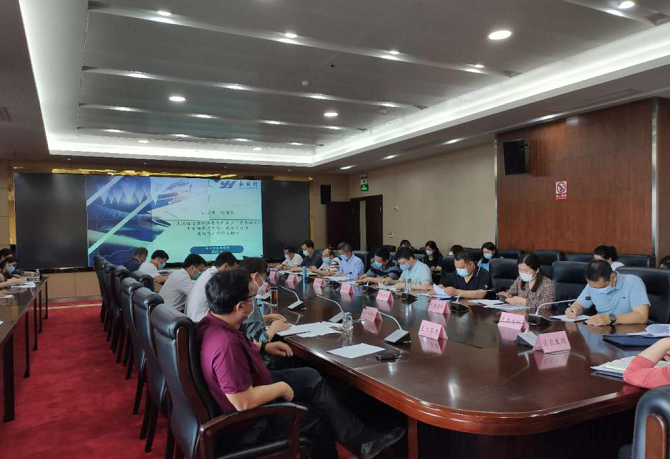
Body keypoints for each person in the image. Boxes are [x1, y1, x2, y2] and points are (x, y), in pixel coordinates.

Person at [197, 270, 405, 459]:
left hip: (255, 383)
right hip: (249, 423)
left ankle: (361, 438)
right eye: (251, 298)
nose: (254, 302)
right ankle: (356, 441)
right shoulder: (225, 345)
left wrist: (265, 347)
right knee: (315, 417)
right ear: (240, 307)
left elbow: (243, 352)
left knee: (309, 376)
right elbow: (243, 402)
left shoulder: (216, 324)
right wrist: (281, 388)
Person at [565, 259, 649, 326]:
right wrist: (574, 310)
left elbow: (642, 316)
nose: (597, 290)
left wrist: (610, 318)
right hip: (600, 330)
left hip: (627, 332)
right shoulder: (592, 285)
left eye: (602, 287)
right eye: (594, 287)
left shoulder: (633, 282)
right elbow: (580, 304)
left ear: (613, 277)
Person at [237, 257, 290, 346]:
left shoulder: (236, 293)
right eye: (264, 277)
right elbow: (257, 342)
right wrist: (275, 328)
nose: (264, 282)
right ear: (256, 276)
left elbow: (244, 322)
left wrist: (265, 317)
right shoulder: (249, 300)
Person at [185, 251, 238, 322]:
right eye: (233, 270)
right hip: (200, 320)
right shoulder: (213, 277)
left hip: (194, 317)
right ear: (225, 266)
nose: (233, 274)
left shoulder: (208, 273)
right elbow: (222, 301)